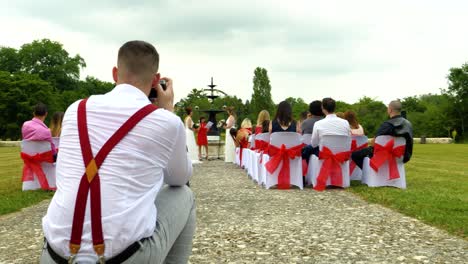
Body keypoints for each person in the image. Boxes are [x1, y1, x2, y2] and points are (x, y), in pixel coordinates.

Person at [40, 40, 195, 264]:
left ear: (115, 73)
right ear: (155, 80)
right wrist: (168, 111)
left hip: (56, 255)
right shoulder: (166, 121)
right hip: (123, 258)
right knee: (184, 195)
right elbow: (180, 178)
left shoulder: (76, 110)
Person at [351, 100, 413, 169]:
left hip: (383, 155)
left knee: (355, 155)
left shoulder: (387, 124)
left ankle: (371, 173)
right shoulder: (408, 124)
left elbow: (374, 142)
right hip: (403, 155)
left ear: (390, 110)